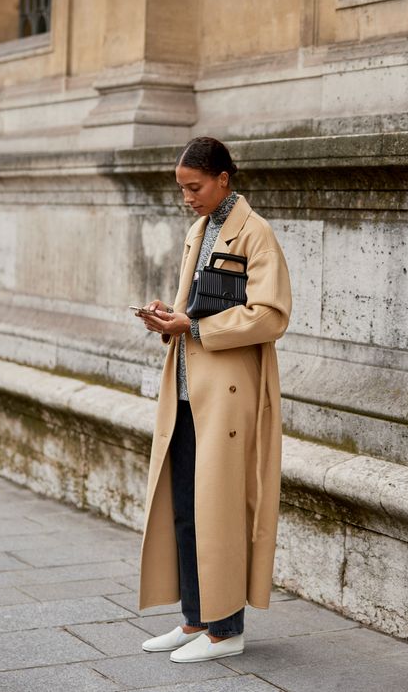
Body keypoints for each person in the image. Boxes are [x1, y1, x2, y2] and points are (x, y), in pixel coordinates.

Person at [136, 136, 292, 663]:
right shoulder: (198, 229)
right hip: (184, 388)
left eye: (193, 187)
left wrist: (196, 329)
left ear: (223, 179)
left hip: (225, 394)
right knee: (184, 507)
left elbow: (271, 315)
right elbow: (195, 307)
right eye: (181, 188)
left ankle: (227, 630)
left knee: (218, 509)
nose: (186, 197)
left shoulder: (257, 234)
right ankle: (196, 618)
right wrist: (169, 318)